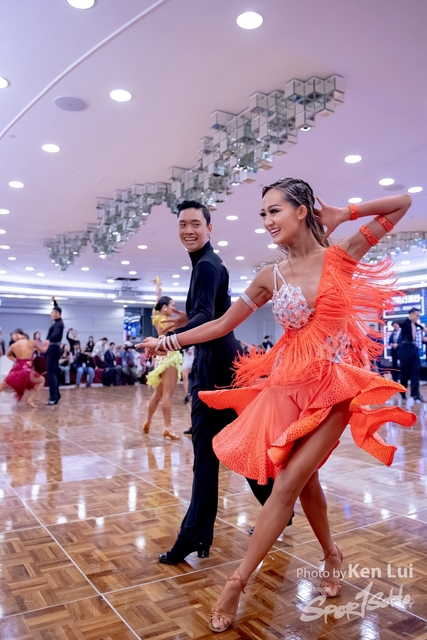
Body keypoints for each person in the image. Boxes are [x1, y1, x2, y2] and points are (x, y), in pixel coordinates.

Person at [143, 181, 416, 632]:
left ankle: (236, 583)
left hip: (333, 388)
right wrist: (168, 341)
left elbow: (402, 203)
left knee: (287, 482)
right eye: (263, 214)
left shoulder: (342, 255)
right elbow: (222, 324)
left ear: (302, 210)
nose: (268, 221)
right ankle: (332, 554)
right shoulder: (271, 276)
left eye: (275, 211)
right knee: (306, 484)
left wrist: (345, 213)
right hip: (287, 389)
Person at [138, 200, 276, 565]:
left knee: (207, 455)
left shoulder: (207, 265)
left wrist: (166, 341)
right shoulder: (208, 263)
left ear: (209, 228)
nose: (188, 230)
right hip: (221, 364)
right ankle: (276, 507)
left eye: (195, 224)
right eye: (183, 224)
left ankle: (197, 532)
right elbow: (209, 313)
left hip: (215, 368)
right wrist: (188, 319)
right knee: (236, 447)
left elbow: (207, 317)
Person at [142, 279, 183, 439]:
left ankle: (148, 420)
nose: (174, 308)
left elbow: (157, 303)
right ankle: (167, 427)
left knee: (158, 393)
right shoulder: (168, 320)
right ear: (165, 307)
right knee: (167, 394)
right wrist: (159, 288)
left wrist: (158, 287)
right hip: (170, 356)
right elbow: (159, 302)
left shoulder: (157, 317)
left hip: (160, 358)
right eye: (172, 305)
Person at [0, 329, 49, 407]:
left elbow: (8, 355)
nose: (12, 337)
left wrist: (16, 360)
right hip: (27, 370)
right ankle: (30, 399)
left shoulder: (13, 345)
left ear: (17, 334)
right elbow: (43, 350)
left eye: (13, 335)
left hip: (17, 369)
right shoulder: (31, 342)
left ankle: (30, 400)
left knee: (3, 385)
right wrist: (47, 344)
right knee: (42, 380)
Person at [399, 308, 427, 401]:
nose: (418, 317)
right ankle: (402, 392)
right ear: (411, 315)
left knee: (416, 370)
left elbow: (417, 325)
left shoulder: (414, 324)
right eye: (416, 315)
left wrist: (423, 328)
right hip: (405, 349)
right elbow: (401, 323)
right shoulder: (405, 323)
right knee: (405, 372)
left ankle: (416, 394)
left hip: (413, 349)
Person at [46, 297, 64, 405]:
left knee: (51, 373)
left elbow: (56, 333)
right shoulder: (59, 322)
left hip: (53, 349)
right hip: (55, 349)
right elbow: (57, 309)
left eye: (52, 312)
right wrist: (54, 302)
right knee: (54, 372)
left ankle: (53, 398)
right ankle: (56, 394)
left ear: (57, 314)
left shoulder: (58, 324)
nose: (51, 314)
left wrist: (48, 340)